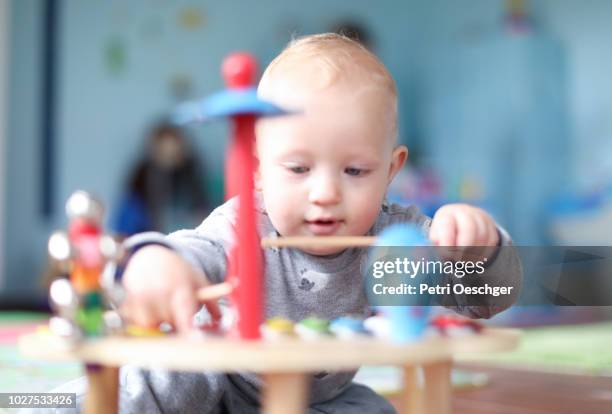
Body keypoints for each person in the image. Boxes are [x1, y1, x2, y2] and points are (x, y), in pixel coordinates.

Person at [54, 34, 521, 413]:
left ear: (391, 170)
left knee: (375, 411)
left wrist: (481, 250)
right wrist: (157, 260)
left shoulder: (397, 239)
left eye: (355, 171)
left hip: (318, 398)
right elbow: (196, 250)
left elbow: (488, 300)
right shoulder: (245, 223)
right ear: (258, 168)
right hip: (218, 375)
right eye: (298, 169)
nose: (324, 193)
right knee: (158, 383)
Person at [113, 122, 208, 236]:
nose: (170, 161)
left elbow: (202, 214)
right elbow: (125, 227)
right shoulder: (140, 180)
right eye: (164, 153)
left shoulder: (191, 177)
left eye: (174, 154)